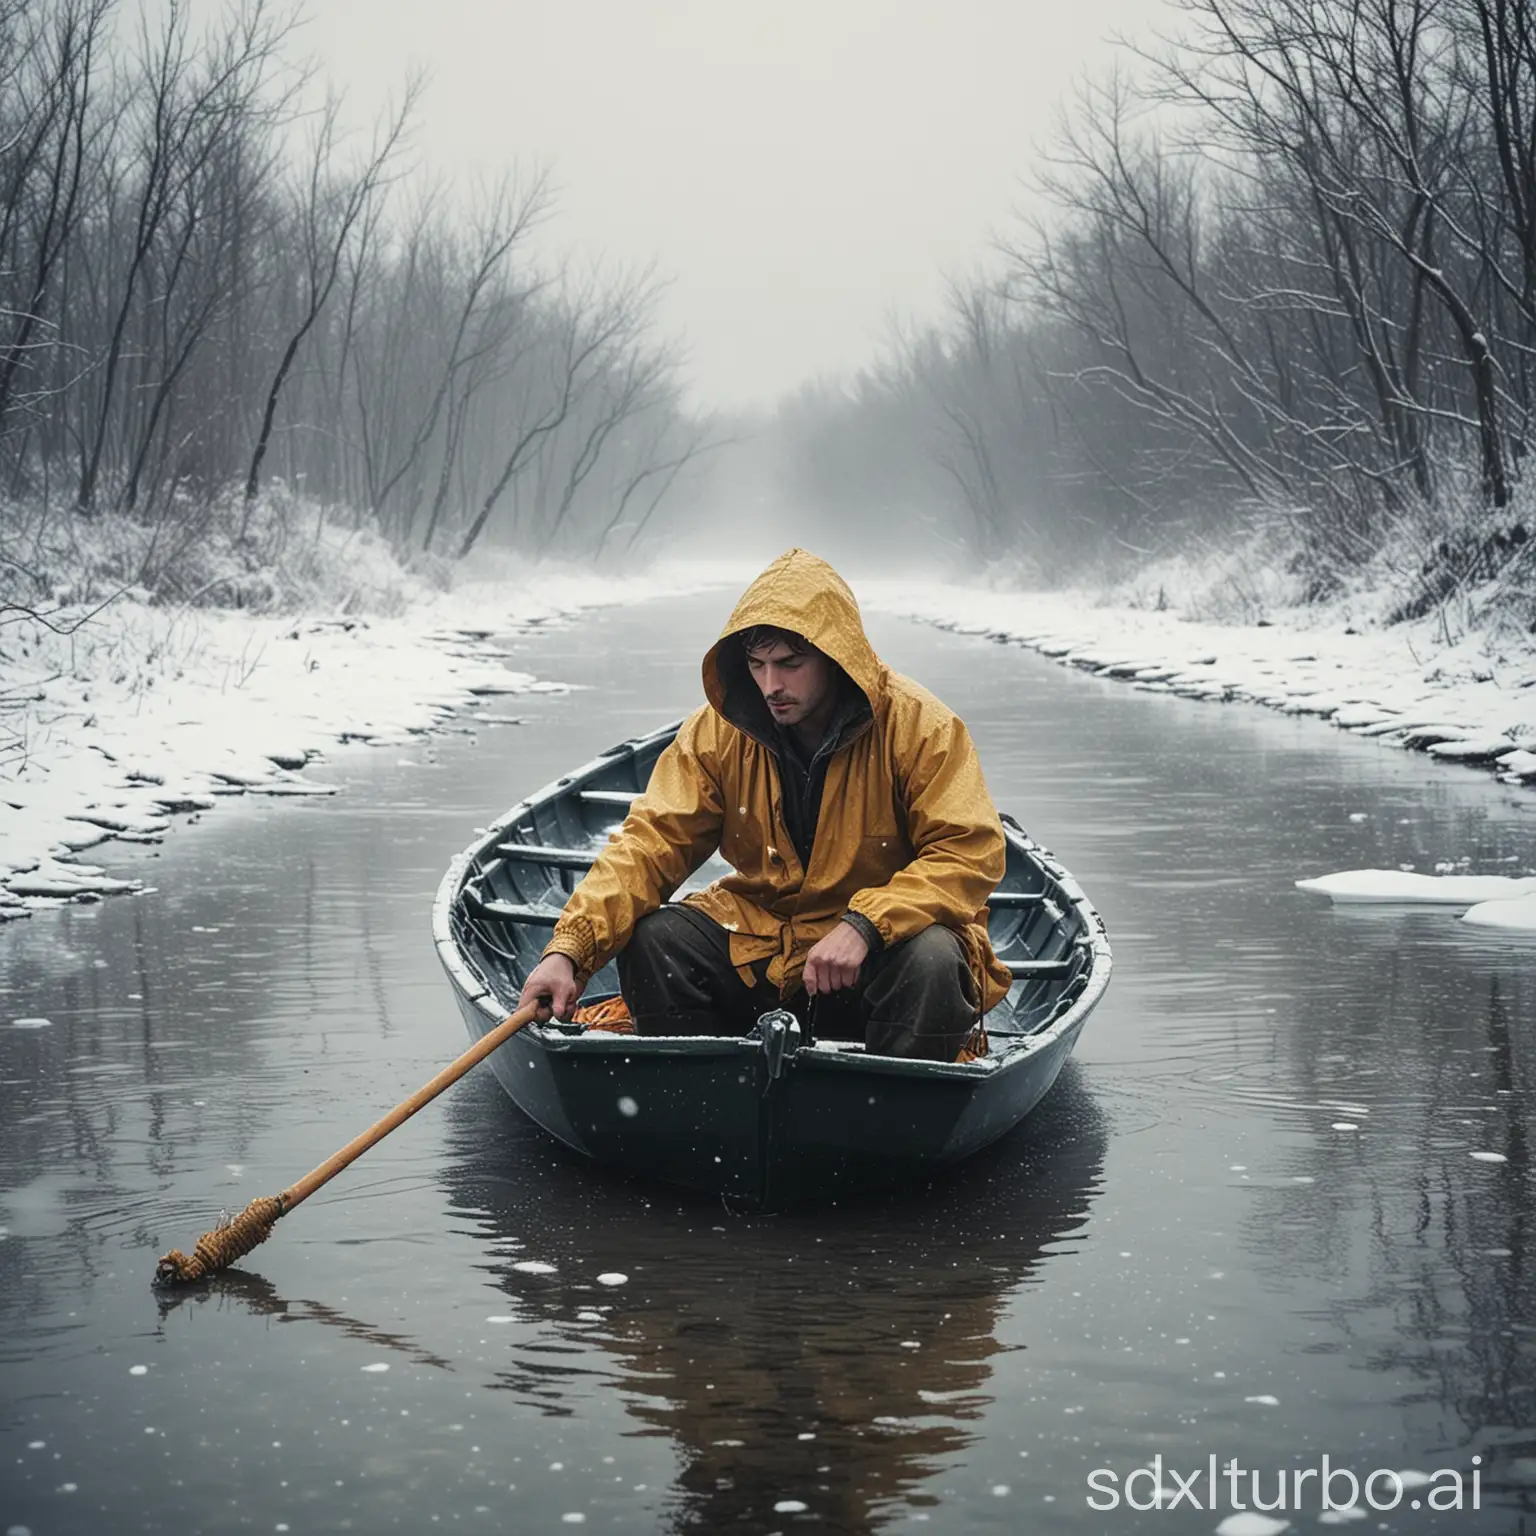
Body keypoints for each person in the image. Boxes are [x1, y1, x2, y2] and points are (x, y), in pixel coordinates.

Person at [518, 547, 1013, 1062]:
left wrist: (865, 925)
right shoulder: (719, 732)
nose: (771, 685)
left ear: (836, 658)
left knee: (934, 958)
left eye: (790, 665)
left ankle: (891, 1111)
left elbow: (969, 853)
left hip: (878, 963)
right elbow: (650, 843)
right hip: (765, 949)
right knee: (656, 940)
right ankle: (700, 1099)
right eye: (757, 665)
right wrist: (569, 951)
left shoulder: (921, 728)